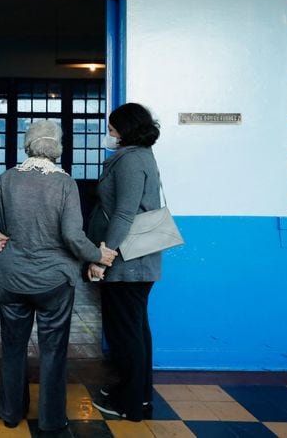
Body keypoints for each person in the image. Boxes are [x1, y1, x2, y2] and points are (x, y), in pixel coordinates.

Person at [0, 120, 117, 432]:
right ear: (58, 147)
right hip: (54, 281)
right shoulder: (64, 183)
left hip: (11, 277)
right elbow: (72, 235)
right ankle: (51, 420)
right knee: (53, 351)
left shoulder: (8, 179)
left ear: (27, 144)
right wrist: (98, 255)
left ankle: (10, 413)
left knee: (13, 347)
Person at [85, 103, 163, 422]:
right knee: (135, 328)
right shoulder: (140, 155)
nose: (110, 134)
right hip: (135, 259)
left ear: (125, 130)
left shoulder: (131, 161)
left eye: (113, 129)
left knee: (126, 332)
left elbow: (124, 213)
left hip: (128, 261)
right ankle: (137, 394)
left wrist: (104, 257)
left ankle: (130, 404)